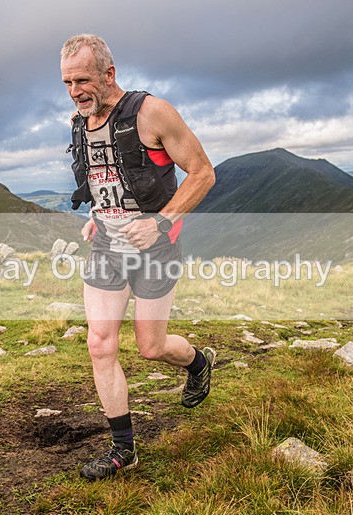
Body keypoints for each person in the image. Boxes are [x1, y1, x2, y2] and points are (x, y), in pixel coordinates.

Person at [61, 34, 217, 480]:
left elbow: (203, 173)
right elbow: (103, 176)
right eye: (67, 82)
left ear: (109, 74)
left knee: (150, 347)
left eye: (83, 80)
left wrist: (160, 222)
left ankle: (198, 363)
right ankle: (123, 450)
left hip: (157, 248)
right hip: (108, 247)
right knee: (99, 343)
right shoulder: (79, 119)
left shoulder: (152, 113)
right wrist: (98, 213)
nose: (75, 91)